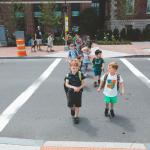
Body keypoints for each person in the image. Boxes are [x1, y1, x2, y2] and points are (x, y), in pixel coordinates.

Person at [65, 59, 85, 124]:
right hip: (70, 92)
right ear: (70, 67)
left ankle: (76, 117)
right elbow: (66, 84)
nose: (74, 69)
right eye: (73, 68)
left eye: (76, 68)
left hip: (78, 92)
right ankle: (72, 109)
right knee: (70, 105)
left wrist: (79, 87)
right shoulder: (68, 75)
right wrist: (73, 87)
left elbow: (84, 83)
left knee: (77, 105)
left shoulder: (80, 74)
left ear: (78, 68)